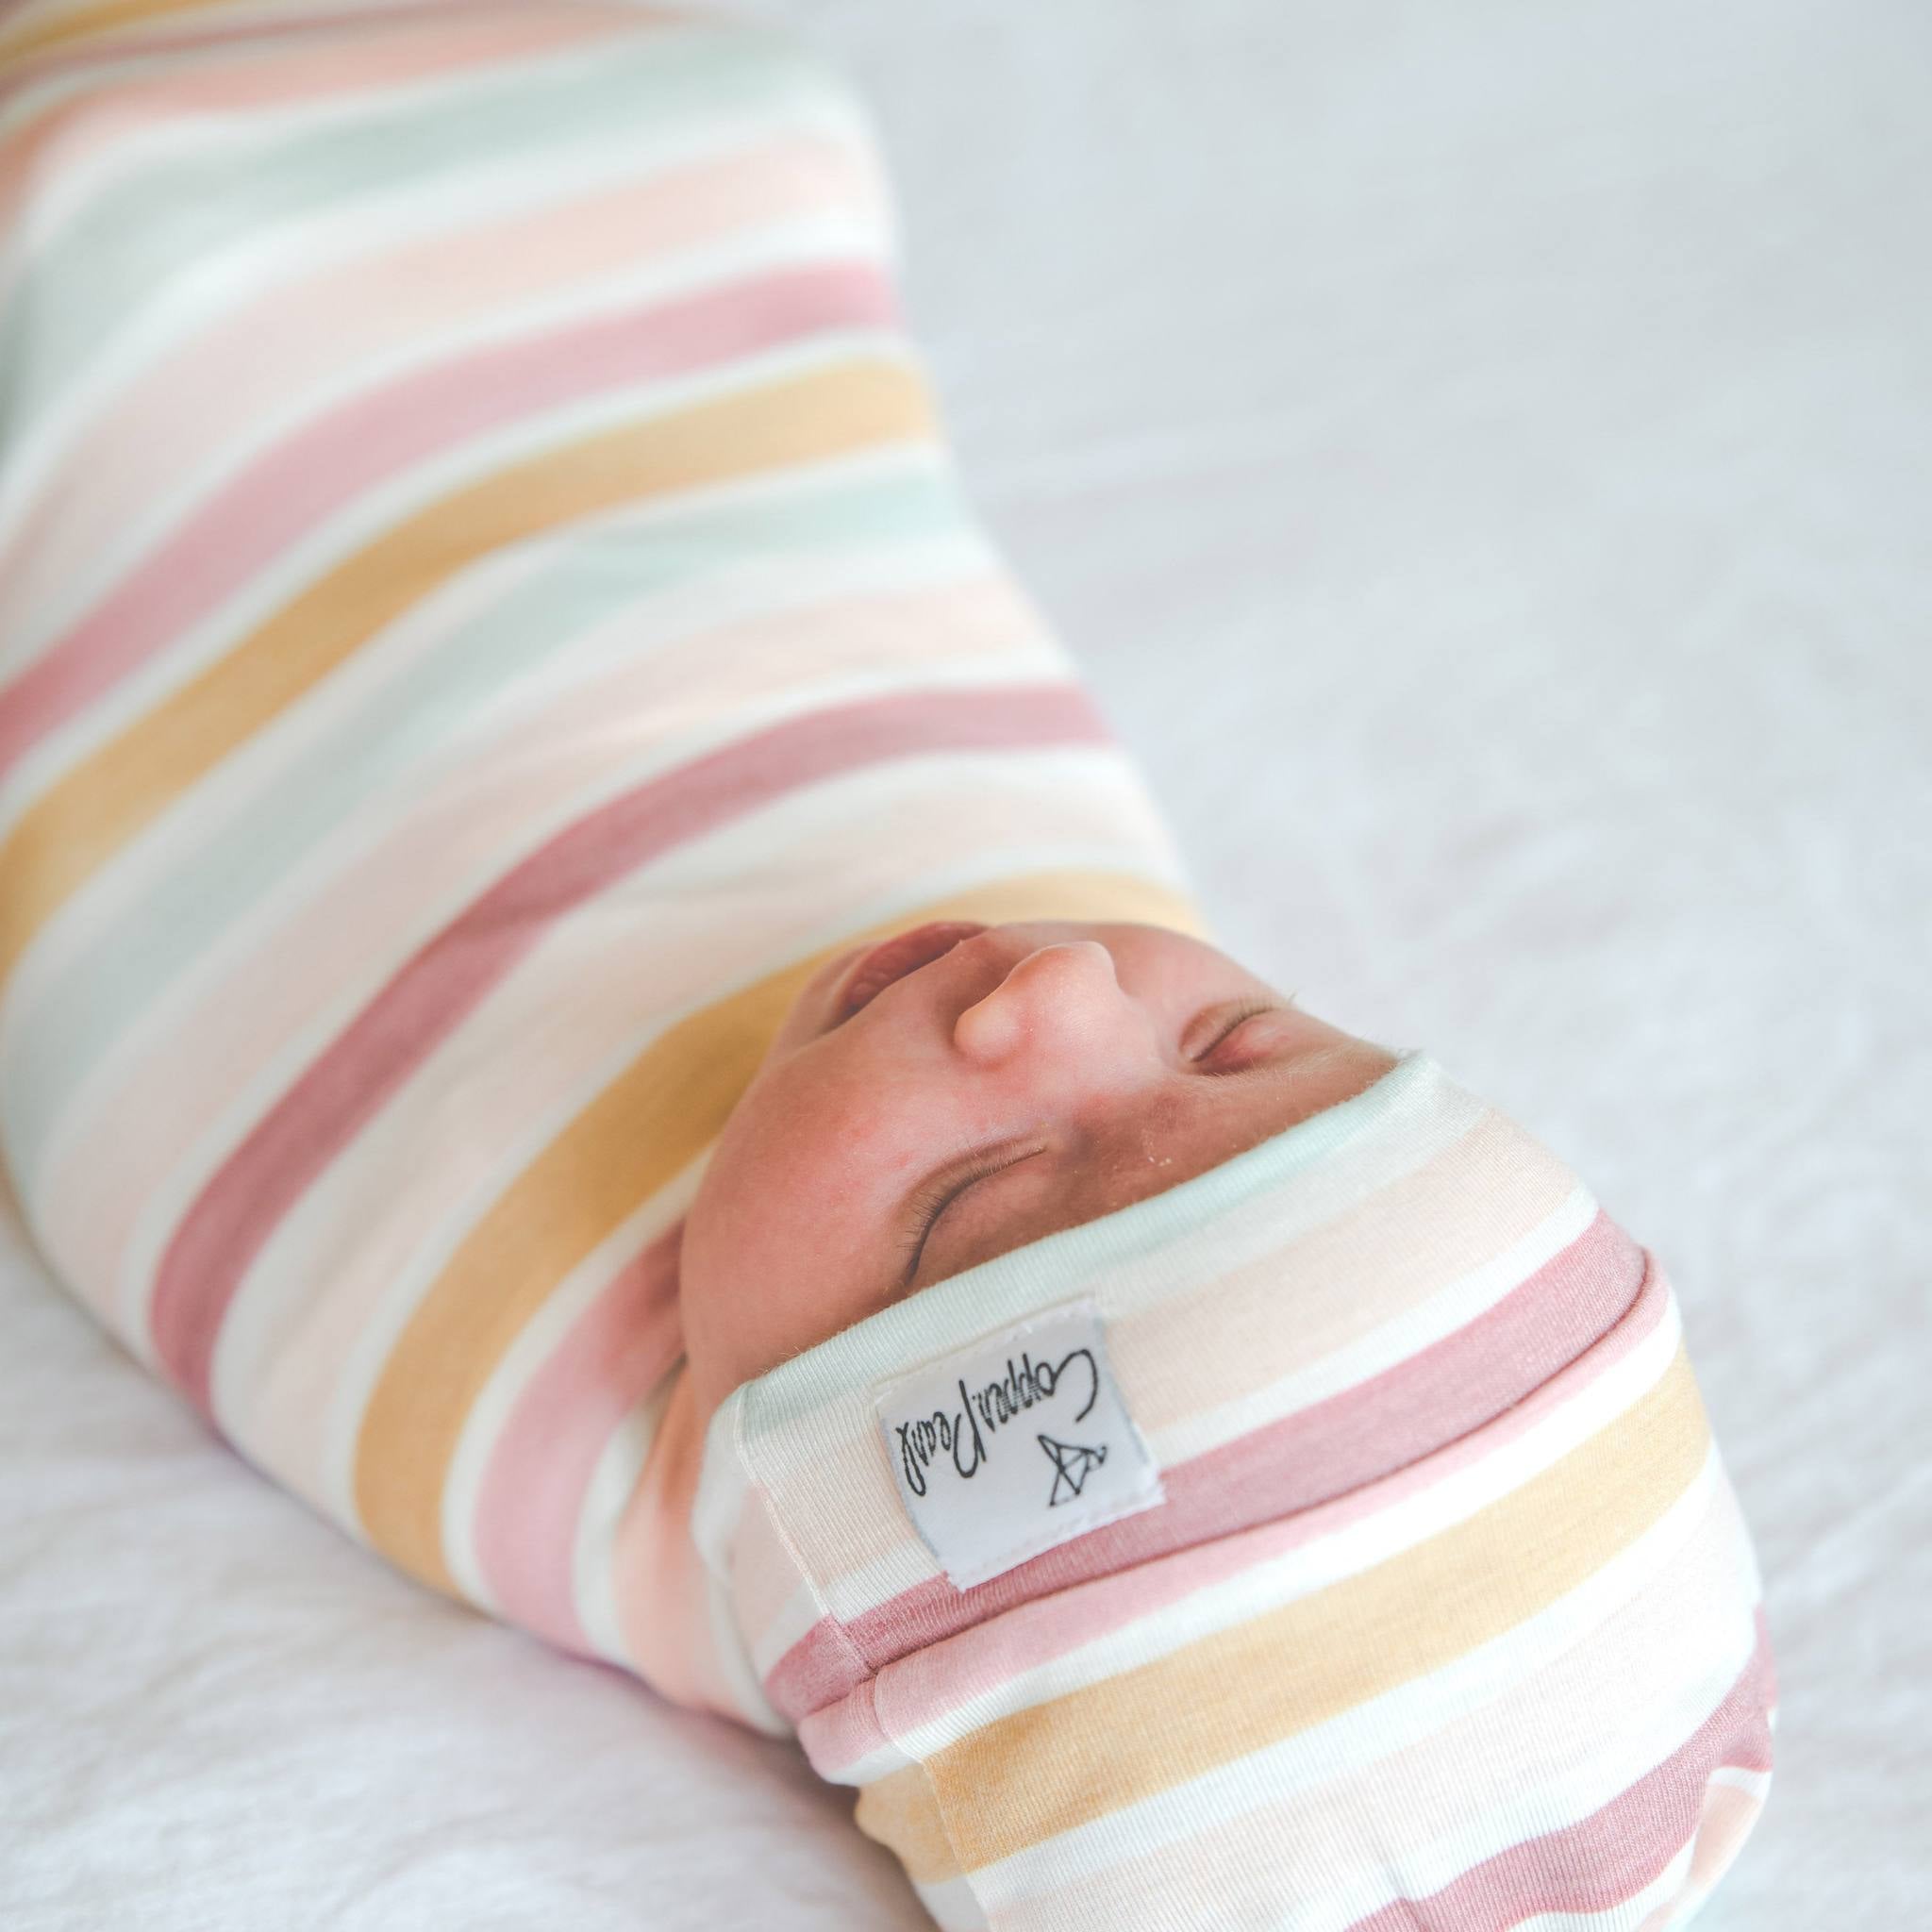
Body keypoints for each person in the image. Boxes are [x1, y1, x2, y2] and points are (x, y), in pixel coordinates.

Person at [0, 2, 1774, 1924]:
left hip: (189, 365)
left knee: (116, 236)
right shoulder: (1019, 1078)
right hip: (640, 337)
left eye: (972, 1200)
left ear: (813, 1547)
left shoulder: (485, 1412)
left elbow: (143, 972)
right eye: (1237, 1037)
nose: (1056, 993)